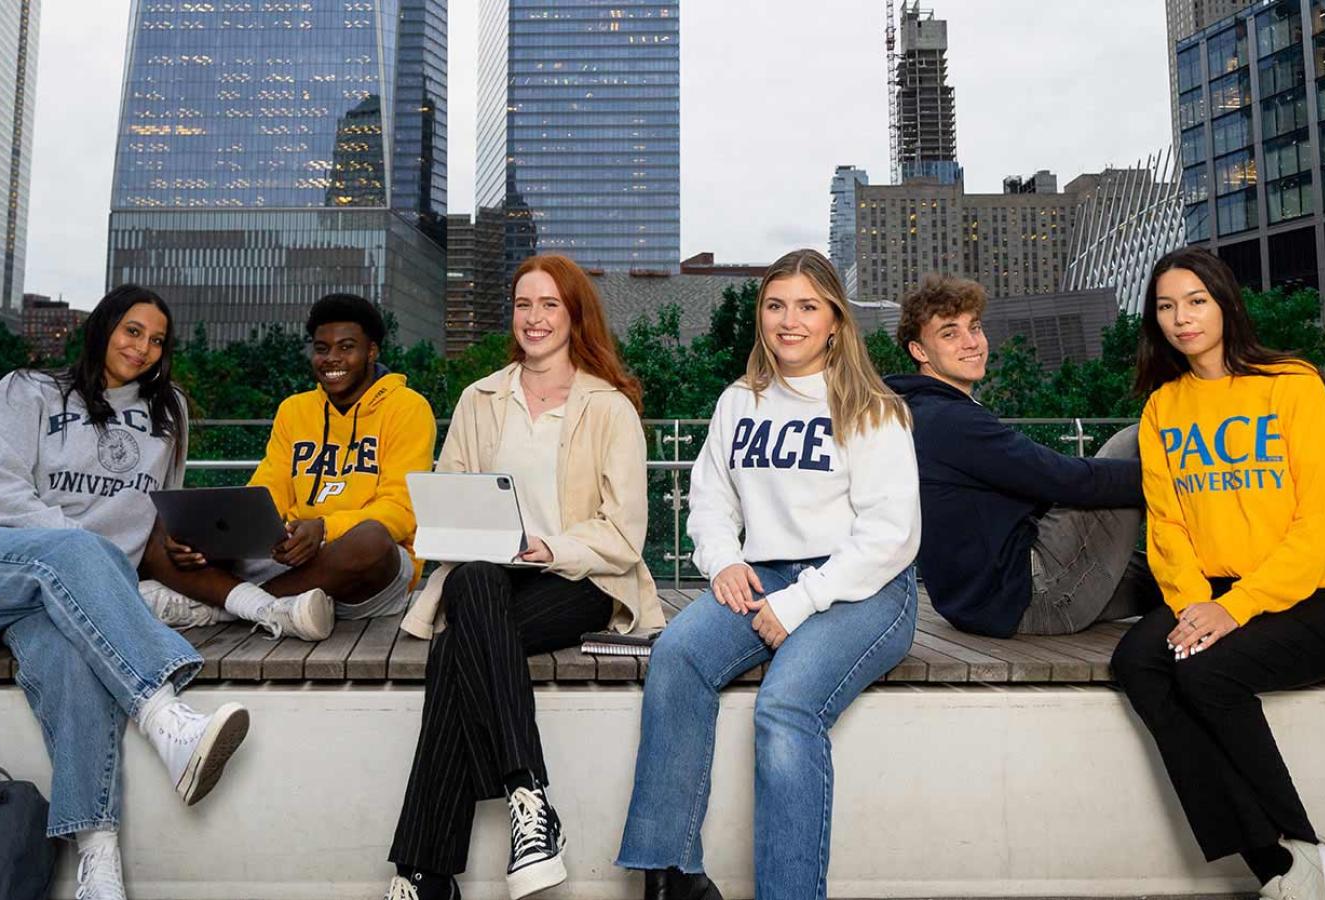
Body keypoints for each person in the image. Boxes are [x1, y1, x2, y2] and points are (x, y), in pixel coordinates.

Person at [0, 286, 250, 900]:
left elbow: (154, 518)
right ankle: (165, 718)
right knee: (75, 551)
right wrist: (78, 548)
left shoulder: (169, 415)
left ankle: (97, 863)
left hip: (50, 597)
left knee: (70, 657)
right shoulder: (28, 391)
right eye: (132, 331)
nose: (143, 348)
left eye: (157, 339)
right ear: (104, 328)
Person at [615, 249, 920, 900]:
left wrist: (804, 600)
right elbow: (711, 499)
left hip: (865, 588)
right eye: (776, 306)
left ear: (835, 320)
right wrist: (723, 560)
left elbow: (890, 537)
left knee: (785, 707)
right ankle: (673, 875)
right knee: (678, 655)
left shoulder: (874, 409)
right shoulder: (740, 402)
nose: (790, 321)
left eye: (808, 307)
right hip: (768, 574)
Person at [1111, 247, 1325, 900]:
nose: (1181, 318)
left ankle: (1306, 858)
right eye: (1166, 306)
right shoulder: (1163, 408)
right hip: (1219, 593)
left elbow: (1321, 519)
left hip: (1320, 597)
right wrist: (1189, 607)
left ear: (1225, 302)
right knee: (1138, 660)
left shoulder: (1291, 384)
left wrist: (1235, 609)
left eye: (1195, 300)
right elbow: (1169, 528)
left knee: (1206, 671)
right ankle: (1283, 869)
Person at [384, 254, 663, 900]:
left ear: (574, 315)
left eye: (549, 305)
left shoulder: (608, 407)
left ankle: (425, 875)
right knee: (474, 582)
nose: (533, 319)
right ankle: (528, 797)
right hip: (490, 578)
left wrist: (551, 546)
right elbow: (446, 504)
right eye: (523, 304)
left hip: (582, 579)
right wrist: (474, 536)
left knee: (459, 646)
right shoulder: (480, 399)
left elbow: (624, 535)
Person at [138, 293, 436, 640]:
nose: (332, 359)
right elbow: (270, 486)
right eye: (322, 348)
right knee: (165, 533)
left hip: (365, 572)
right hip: (290, 558)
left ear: (371, 351)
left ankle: (222, 606)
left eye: (346, 347)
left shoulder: (408, 408)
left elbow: (400, 511)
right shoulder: (295, 410)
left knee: (371, 540)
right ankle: (266, 607)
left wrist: (324, 529)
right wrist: (239, 529)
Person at [885, 273, 1161, 636]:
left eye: (975, 327)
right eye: (950, 333)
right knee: (1137, 441)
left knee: (1170, 580)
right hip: (1032, 597)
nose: (971, 343)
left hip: (981, 603)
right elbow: (1064, 479)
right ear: (919, 351)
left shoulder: (922, 410)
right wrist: (1173, 477)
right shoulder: (950, 420)